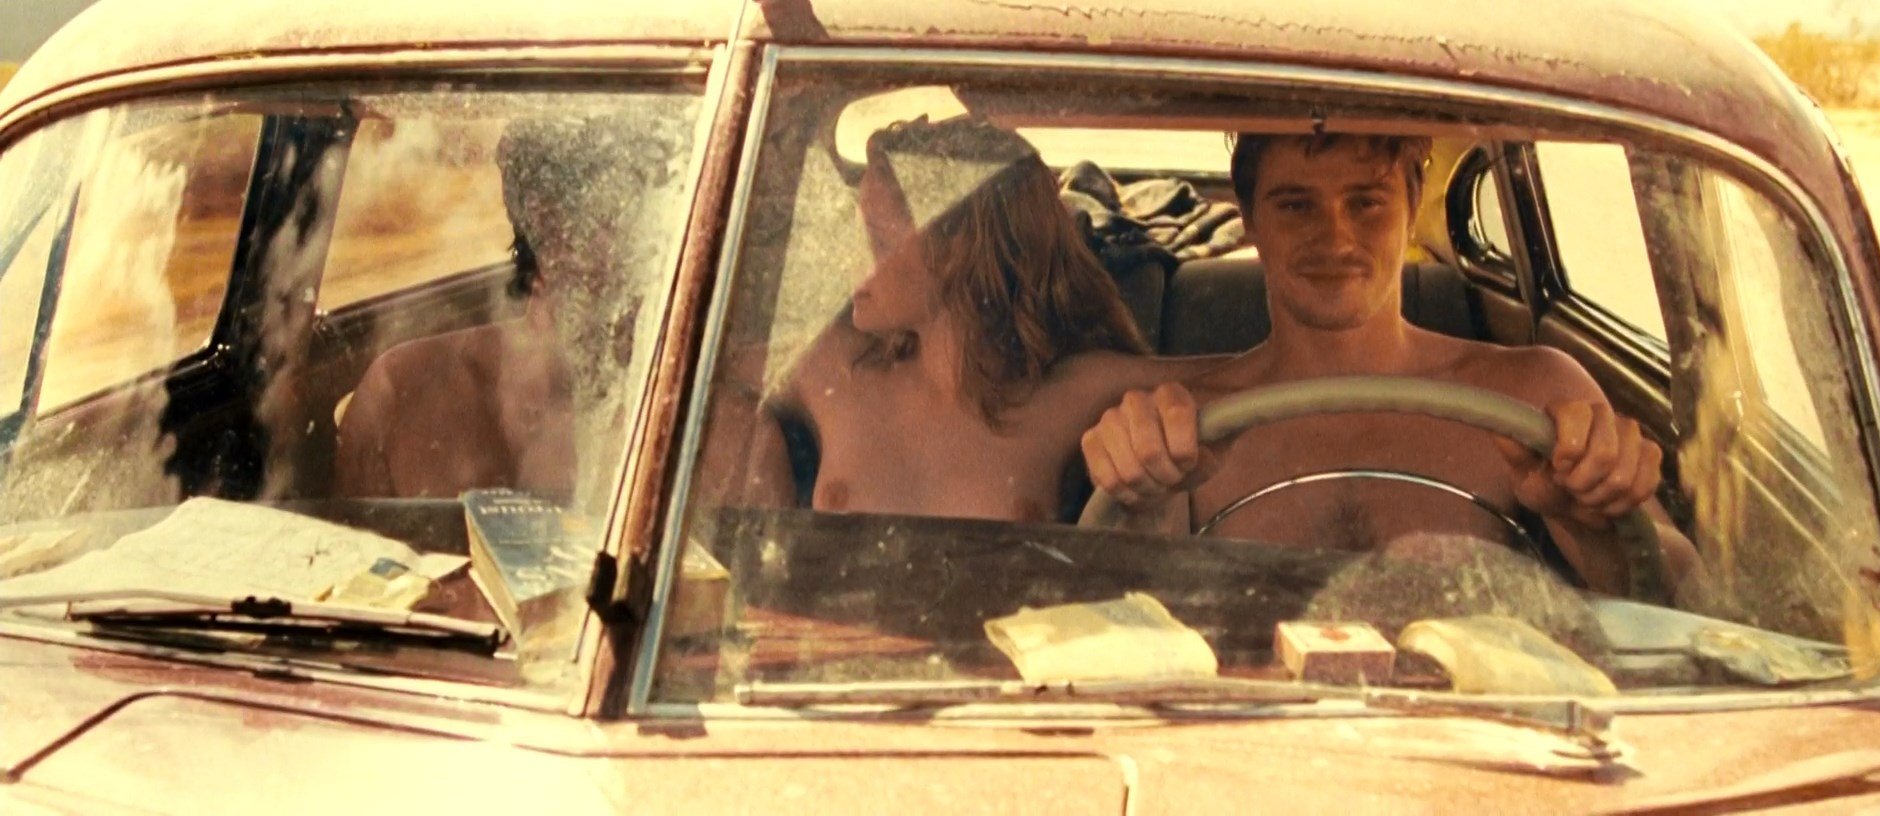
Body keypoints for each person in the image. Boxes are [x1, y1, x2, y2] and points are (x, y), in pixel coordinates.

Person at [1078, 131, 1701, 598]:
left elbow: (1687, 598)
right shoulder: (1181, 423)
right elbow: (1113, 622)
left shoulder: (1538, 388)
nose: (1335, 238)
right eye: (1296, 205)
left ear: (1412, 203)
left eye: (1366, 202)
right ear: (1250, 218)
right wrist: (1139, 498)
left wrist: (1593, 524)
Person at [718, 117, 1207, 523]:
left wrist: (1163, 431)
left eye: (875, 238)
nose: (850, 258)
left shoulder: (1071, 389)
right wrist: (758, 466)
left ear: (955, 251)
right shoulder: (834, 365)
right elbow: (696, 378)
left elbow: (1243, 381)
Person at [334, 116, 666, 501]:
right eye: (617, 215)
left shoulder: (676, 405)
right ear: (542, 219)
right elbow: (329, 540)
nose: (644, 249)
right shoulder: (401, 391)